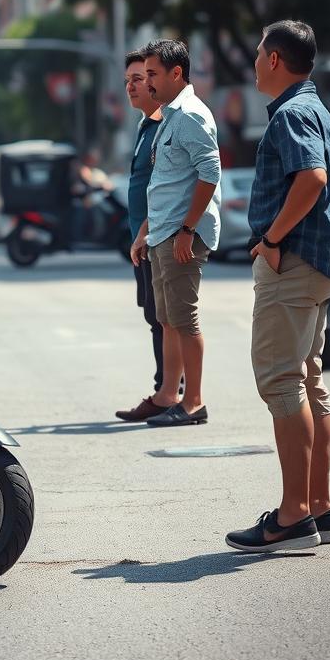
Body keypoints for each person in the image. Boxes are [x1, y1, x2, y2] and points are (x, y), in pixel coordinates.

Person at [226, 21, 330, 553]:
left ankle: (293, 515)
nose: (254, 61)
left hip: (295, 264)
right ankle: (319, 508)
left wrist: (272, 238)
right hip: (320, 264)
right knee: (308, 382)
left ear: (275, 59)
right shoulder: (317, 109)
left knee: (281, 384)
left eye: (258, 52)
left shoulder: (292, 114)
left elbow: (312, 178)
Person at [130, 39, 221, 427]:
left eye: (152, 74)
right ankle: (169, 395)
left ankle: (194, 402)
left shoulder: (190, 115)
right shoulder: (168, 115)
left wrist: (187, 229)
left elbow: (210, 173)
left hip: (182, 235)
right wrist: (145, 234)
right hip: (163, 233)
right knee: (167, 320)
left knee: (185, 320)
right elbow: (166, 185)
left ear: (176, 73)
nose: (147, 82)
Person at [115, 50, 168, 420]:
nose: (132, 87)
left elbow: (167, 187)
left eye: (139, 78)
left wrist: (147, 233)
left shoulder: (166, 125)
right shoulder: (144, 126)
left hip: (157, 239)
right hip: (142, 240)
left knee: (167, 318)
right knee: (154, 316)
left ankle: (170, 391)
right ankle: (167, 388)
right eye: (128, 81)